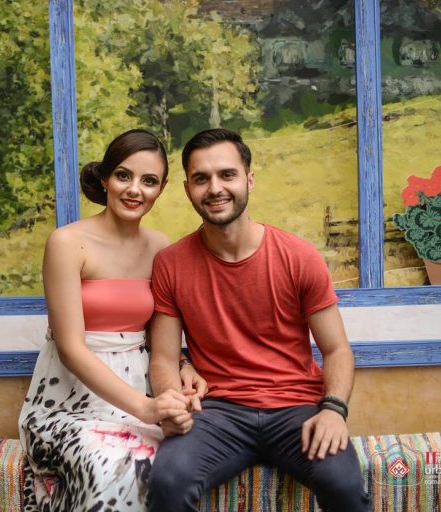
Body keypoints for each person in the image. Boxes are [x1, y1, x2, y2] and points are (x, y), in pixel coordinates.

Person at [146, 128, 370, 511]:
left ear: (249, 179)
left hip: (296, 409)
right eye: (201, 178)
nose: (215, 188)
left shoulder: (299, 257)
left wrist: (333, 410)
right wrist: (173, 403)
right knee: (168, 481)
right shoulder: (171, 264)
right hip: (216, 413)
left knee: (344, 484)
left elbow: (336, 349)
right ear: (187, 189)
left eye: (227, 175)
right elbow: (164, 358)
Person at [19, 129, 201, 512]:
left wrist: (183, 366)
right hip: (68, 401)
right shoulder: (67, 243)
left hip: (142, 385)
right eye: (123, 175)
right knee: (113, 464)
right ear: (105, 179)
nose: (135, 190)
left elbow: (159, 336)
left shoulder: (161, 247)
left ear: (161, 189)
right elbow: (70, 349)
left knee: (175, 463)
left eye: (148, 181)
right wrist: (145, 410)